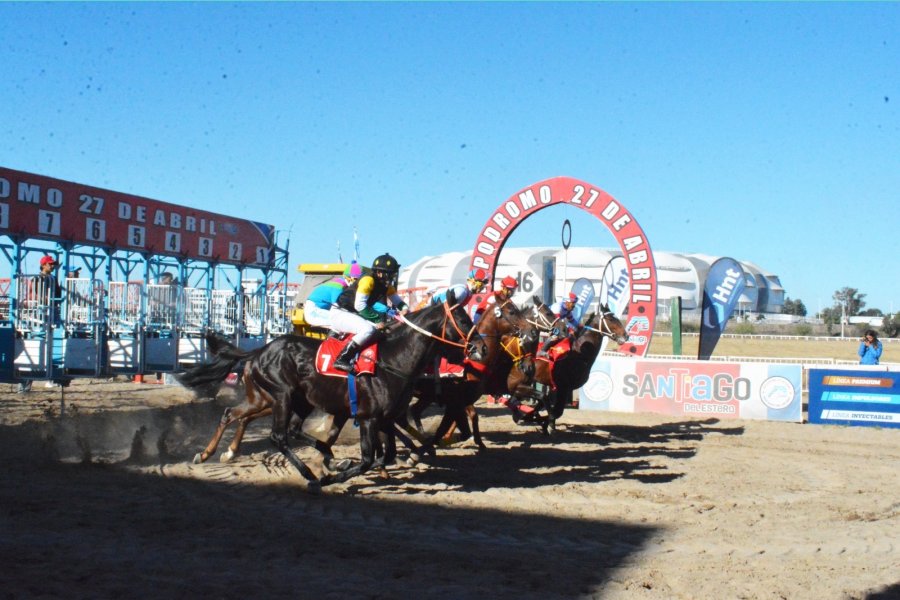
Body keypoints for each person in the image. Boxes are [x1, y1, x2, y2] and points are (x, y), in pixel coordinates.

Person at [330, 253, 409, 372]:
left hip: (353, 314)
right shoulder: (368, 280)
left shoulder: (385, 285)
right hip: (340, 313)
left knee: (385, 332)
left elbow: (398, 302)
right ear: (380, 273)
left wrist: (405, 309)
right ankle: (342, 359)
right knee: (367, 330)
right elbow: (359, 305)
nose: (392, 276)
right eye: (390, 273)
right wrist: (377, 320)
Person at [303, 261, 362, 329]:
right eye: (356, 279)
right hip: (314, 312)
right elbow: (338, 308)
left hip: (316, 310)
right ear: (348, 277)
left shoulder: (340, 283)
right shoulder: (338, 287)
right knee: (342, 322)